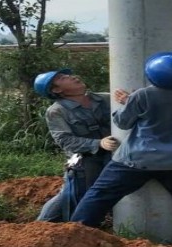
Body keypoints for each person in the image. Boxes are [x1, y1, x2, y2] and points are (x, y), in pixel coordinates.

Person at [71, 53, 172, 240]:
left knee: (101, 193)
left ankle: (76, 233)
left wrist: (128, 103)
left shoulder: (143, 95)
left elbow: (123, 122)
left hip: (140, 160)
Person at [34, 69, 117, 222]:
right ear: (56, 90)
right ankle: (41, 225)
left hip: (113, 155)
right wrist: (98, 143)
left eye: (68, 75)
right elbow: (65, 141)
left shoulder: (104, 99)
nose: (71, 77)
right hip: (86, 159)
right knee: (74, 196)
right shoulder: (57, 111)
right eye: (62, 78)